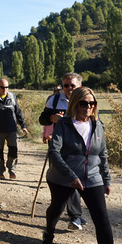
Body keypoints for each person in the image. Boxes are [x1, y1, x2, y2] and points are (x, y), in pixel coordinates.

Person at [40, 86, 122, 244]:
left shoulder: (98, 125)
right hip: (63, 176)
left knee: (102, 219)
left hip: (91, 177)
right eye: (84, 103)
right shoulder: (64, 124)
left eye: (92, 103)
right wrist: (71, 176)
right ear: (75, 104)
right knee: (56, 208)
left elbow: (102, 154)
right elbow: (54, 152)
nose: (88, 107)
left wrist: (106, 179)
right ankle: (48, 233)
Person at [39, 73, 86, 231]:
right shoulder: (54, 100)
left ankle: (75, 216)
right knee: (60, 180)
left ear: (79, 86)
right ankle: (62, 212)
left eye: (72, 86)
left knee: (73, 178)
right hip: (57, 146)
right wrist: (52, 119)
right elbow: (42, 119)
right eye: (66, 85)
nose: (69, 89)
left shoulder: (86, 100)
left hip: (78, 148)